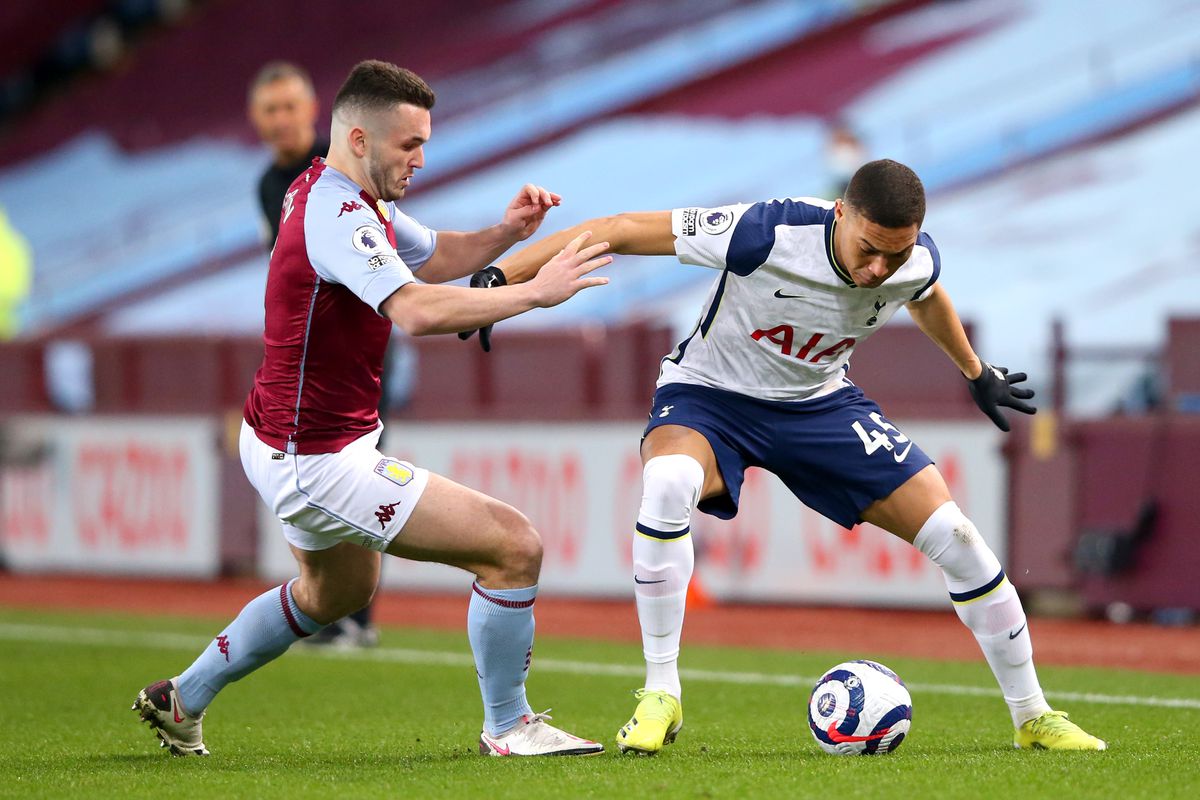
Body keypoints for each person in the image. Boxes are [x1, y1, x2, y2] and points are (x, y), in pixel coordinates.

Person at [490, 159, 1107, 753]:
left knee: (959, 536)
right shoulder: (766, 232)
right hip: (712, 397)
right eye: (869, 248)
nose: (878, 268)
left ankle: (1033, 716)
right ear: (840, 213)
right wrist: (505, 279)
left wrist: (975, 372)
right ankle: (660, 693)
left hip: (819, 406)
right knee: (669, 481)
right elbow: (623, 229)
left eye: (894, 253)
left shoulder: (910, 260)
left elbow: (925, 293)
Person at [133, 60, 612, 758]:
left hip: (288, 439)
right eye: (408, 145)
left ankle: (184, 698)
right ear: (359, 138)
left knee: (335, 593)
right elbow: (415, 309)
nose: (421, 159)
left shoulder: (342, 194)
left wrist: (508, 232)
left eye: (423, 143)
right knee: (514, 546)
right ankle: (510, 727)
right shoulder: (336, 212)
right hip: (315, 458)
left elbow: (436, 255)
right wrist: (534, 293)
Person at [248, 60, 378, 648]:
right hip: (302, 360)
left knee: (355, 477)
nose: (280, 120)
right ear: (256, 119)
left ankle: (352, 614)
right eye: (269, 110)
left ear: (313, 111)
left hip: (354, 350)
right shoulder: (267, 185)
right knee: (316, 483)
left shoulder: (336, 174)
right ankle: (333, 608)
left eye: (289, 107)